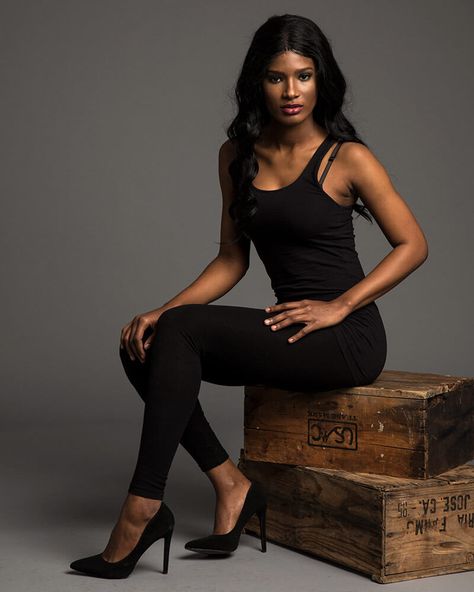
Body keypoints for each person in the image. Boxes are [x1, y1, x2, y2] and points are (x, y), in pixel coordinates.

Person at [69, 13, 429, 579]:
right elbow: (233, 259)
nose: (291, 92)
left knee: (180, 330)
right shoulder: (236, 156)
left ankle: (139, 510)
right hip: (290, 328)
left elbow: (414, 244)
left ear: (321, 80)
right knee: (146, 337)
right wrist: (162, 309)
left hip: (346, 339)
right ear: (256, 83)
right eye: (277, 77)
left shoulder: (347, 158)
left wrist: (340, 306)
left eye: (304, 76)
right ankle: (231, 485)